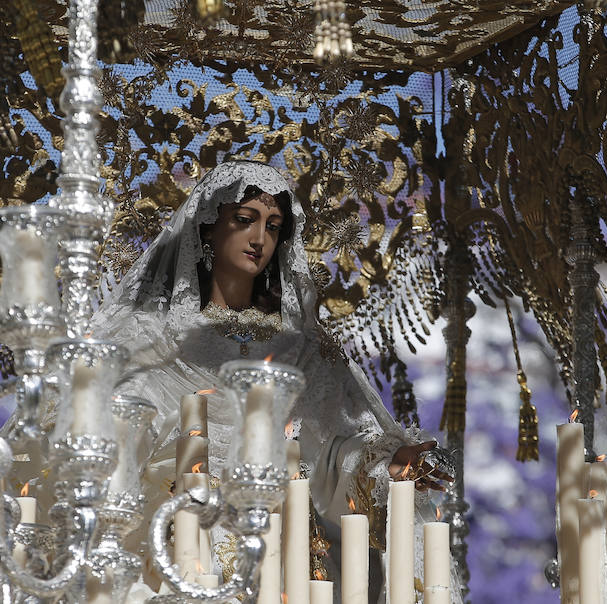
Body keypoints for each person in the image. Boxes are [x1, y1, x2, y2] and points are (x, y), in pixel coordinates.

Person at [91, 160, 457, 601]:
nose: (259, 238)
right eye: (244, 220)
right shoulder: (151, 336)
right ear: (208, 226)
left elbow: (335, 450)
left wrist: (385, 464)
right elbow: (116, 427)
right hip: (182, 540)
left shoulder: (301, 349)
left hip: (284, 556)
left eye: (274, 225)